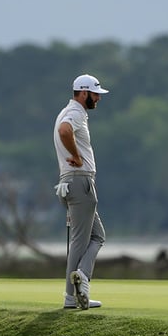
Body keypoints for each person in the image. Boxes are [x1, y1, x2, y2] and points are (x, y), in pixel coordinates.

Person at [53, 74, 109, 310]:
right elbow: (65, 131)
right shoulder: (74, 114)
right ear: (84, 93)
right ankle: (75, 288)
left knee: (97, 236)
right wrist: (76, 157)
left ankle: (78, 286)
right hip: (80, 182)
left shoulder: (67, 111)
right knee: (81, 240)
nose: (98, 98)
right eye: (95, 94)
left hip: (70, 183)